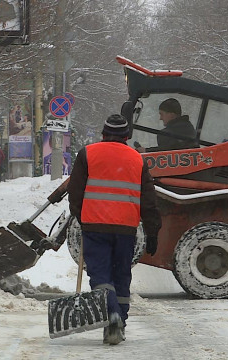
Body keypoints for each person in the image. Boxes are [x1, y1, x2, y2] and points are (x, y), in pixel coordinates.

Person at [67, 114, 162, 345]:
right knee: (121, 275)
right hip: (126, 229)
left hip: (95, 227)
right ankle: (119, 323)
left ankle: (111, 314)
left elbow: (75, 193)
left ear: (103, 134)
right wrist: (152, 232)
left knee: (100, 274)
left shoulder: (88, 154)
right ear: (127, 137)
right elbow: (149, 201)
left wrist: (83, 218)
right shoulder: (137, 159)